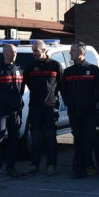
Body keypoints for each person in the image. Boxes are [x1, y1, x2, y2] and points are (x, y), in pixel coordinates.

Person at [60, 41, 99, 182]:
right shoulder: (68, 72)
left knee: (94, 141)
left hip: (89, 113)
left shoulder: (93, 70)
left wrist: (91, 102)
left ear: (81, 53)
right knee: (78, 141)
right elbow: (63, 90)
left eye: (73, 51)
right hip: (74, 113)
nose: (71, 53)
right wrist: (69, 102)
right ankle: (79, 170)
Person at [24, 40, 63, 176]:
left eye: (37, 51)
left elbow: (60, 85)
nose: (34, 53)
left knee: (51, 137)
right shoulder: (30, 66)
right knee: (35, 138)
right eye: (33, 51)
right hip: (35, 107)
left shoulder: (55, 65)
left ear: (44, 50)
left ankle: (51, 165)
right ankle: (34, 165)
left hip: (50, 108)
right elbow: (28, 84)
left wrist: (53, 99)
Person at [0, 43, 25, 178]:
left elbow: (21, 89)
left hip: (15, 112)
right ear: (4, 54)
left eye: (15, 52)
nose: (13, 54)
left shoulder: (20, 69)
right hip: (1, 111)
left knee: (13, 141)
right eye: (10, 52)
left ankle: (11, 168)